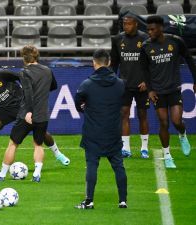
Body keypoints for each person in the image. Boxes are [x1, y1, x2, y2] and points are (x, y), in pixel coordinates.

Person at [0, 60, 70, 172]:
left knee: (41, 131)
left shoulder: (0, 74)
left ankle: (58, 154)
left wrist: (29, 93)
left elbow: (20, 77)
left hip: (21, 106)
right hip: (3, 110)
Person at [0, 45, 58, 182]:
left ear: (24, 58)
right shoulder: (47, 70)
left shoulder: (24, 72)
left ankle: (2, 175)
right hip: (42, 115)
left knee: (13, 144)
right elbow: (53, 86)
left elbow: (28, 94)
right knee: (38, 144)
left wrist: (28, 112)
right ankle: (37, 174)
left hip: (26, 115)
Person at [140, 15, 196, 168]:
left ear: (161, 28)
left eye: (152, 29)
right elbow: (144, 70)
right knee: (163, 123)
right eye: (147, 29)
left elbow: (190, 59)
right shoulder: (145, 46)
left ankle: (182, 135)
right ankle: (167, 155)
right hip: (158, 91)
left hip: (174, 89)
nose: (149, 32)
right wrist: (150, 91)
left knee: (177, 121)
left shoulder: (176, 41)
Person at [74, 49, 127, 209]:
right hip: (113, 132)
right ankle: (122, 200)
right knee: (118, 165)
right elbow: (123, 102)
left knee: (92, 165)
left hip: (93, 133)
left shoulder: (87, 84)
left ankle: (89, 200)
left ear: (94, 63)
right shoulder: (120, 83)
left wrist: (85, 108)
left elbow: (78, 103)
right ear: (109, 62)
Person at [111, 12, 150, 158]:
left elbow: (151, 63)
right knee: (124, 115)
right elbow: (114, 63)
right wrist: (113, 80)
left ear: (136, 24)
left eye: (128, 23)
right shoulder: (117, 39)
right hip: (124, 85)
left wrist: (147, 81)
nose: (125, 26)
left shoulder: (145, 38)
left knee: (142, 115)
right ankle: (125, 148)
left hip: (142, 86)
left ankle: (144, 148)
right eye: (123, 23)